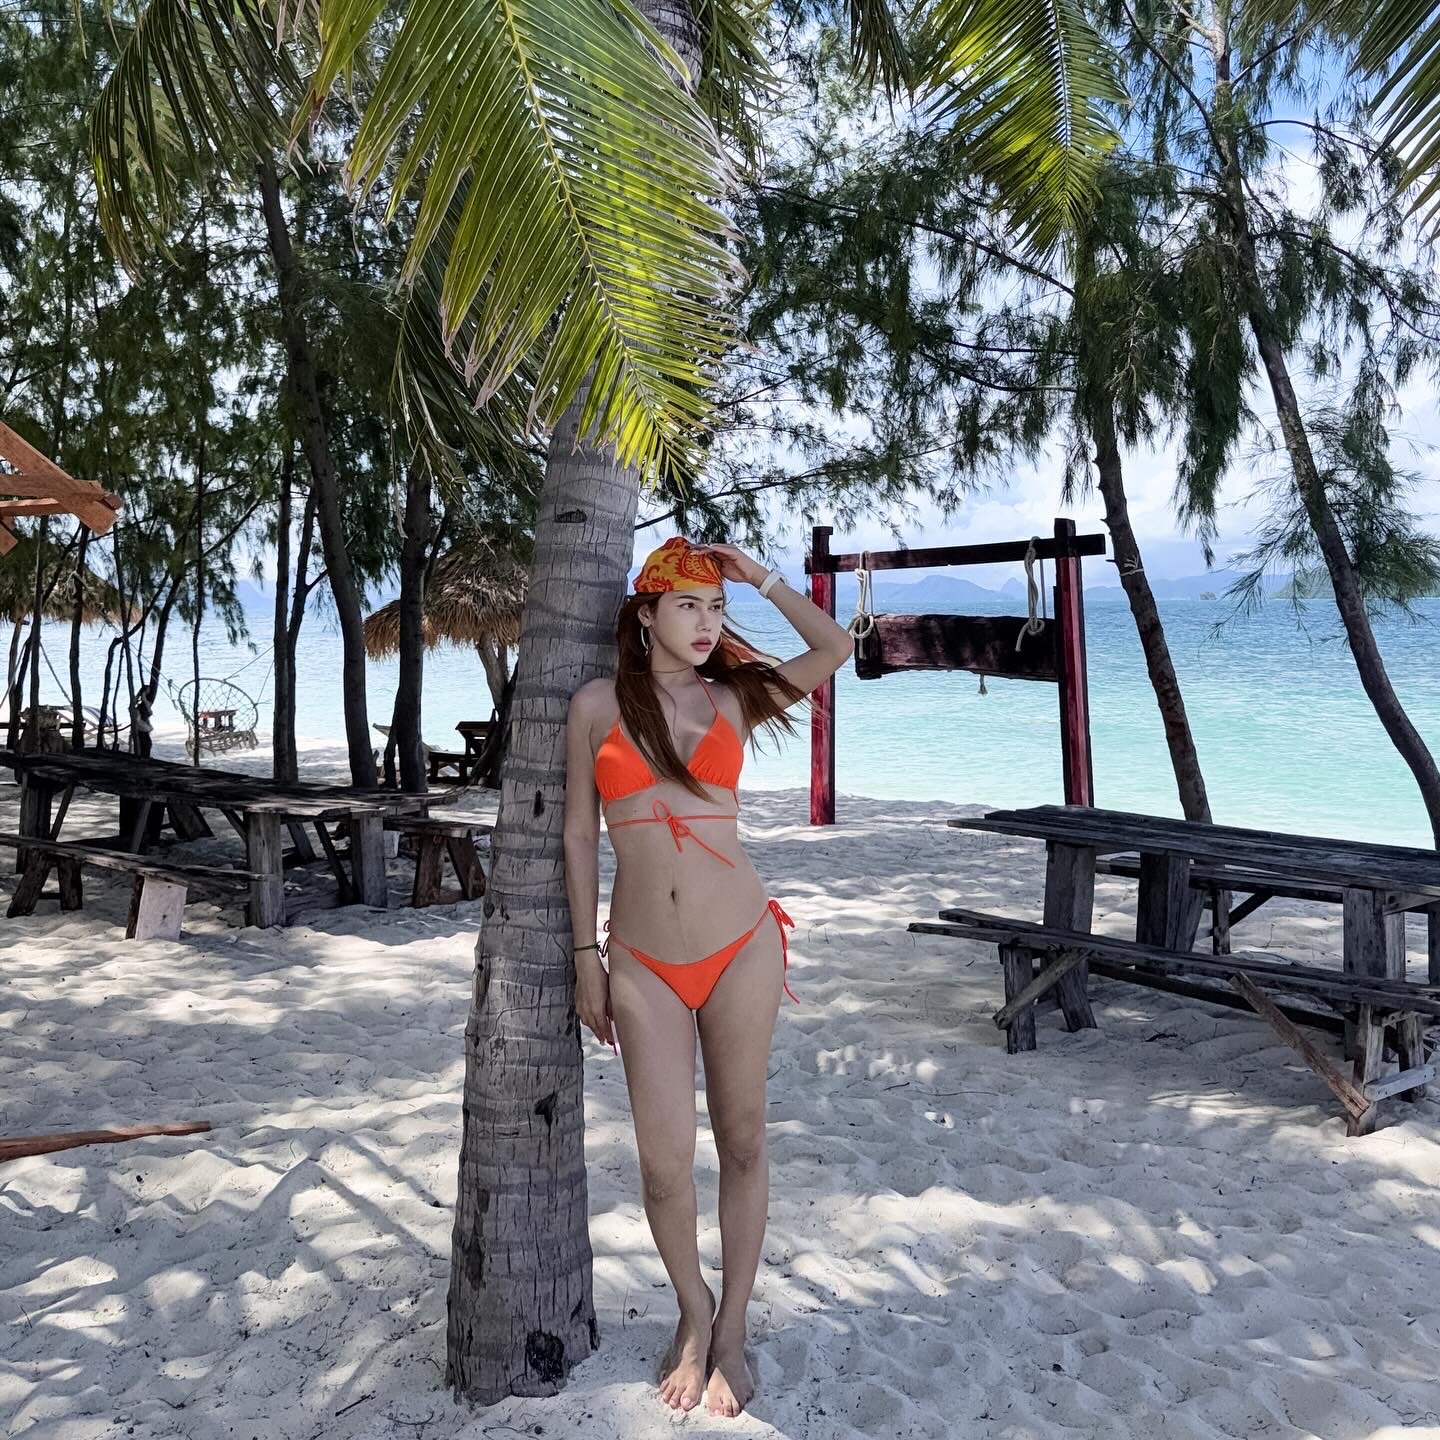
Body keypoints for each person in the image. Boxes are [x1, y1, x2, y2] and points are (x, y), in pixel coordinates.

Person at [563, 536, 853, 1418]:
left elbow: (834, 647)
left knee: (745, 1140)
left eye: (715, 608)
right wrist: (585, 958)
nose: (706, 623)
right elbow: (578, 835)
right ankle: (692, 1311)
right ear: (646, 613)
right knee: (662, 1167)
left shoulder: (734, 698)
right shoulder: (597, 706)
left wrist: (758, 576)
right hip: (643, 959)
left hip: (741, 946)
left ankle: (730, 1331)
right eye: (687, 605)